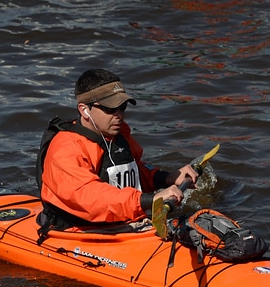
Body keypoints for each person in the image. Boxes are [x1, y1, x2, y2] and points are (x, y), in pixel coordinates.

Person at [37, 69, 199, 234]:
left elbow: (132, 171)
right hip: (80, 230)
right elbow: (90, 197)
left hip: (121, 222)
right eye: (110, 109)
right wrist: (149, 200)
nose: (119, 115)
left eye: (122, 107)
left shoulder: (118, 134)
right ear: (84, 110)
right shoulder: (66, 148)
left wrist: (167, 178)